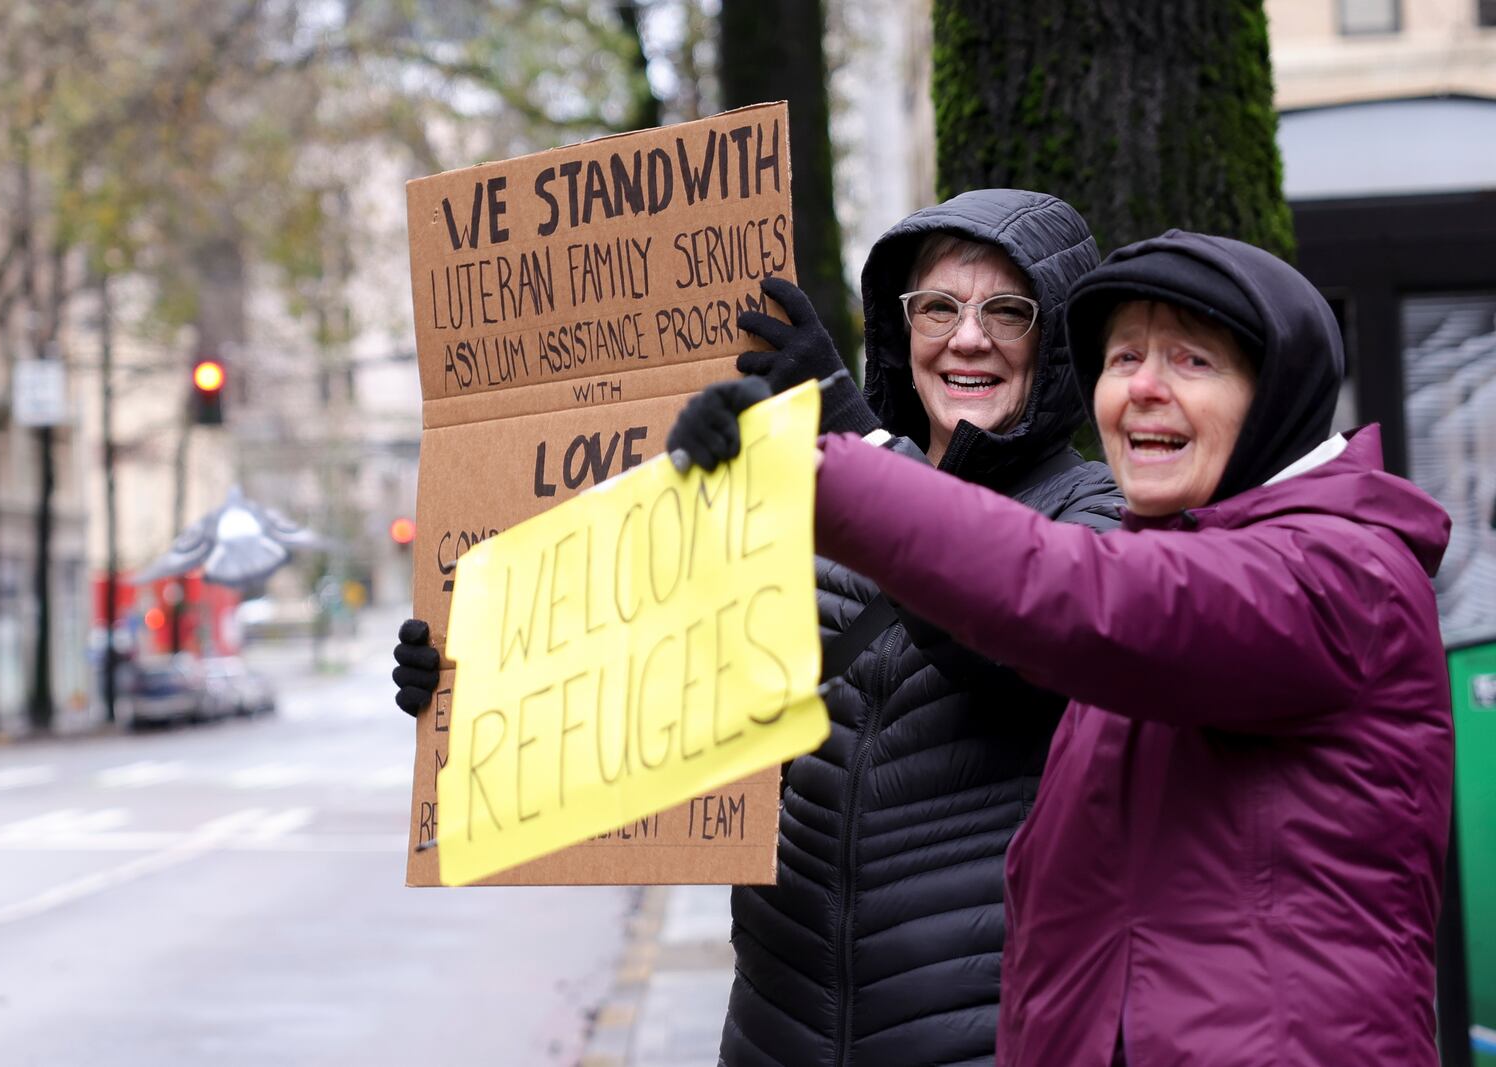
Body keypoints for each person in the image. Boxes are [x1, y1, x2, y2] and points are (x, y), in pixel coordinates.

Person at [678, 229, 1451, 1065]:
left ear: (1276, 393)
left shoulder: (1340, 570)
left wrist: (825, 471)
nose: (1145, 389)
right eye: (1123, 360)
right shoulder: (1174, 554)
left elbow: (1072, 593)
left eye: (1192, 361)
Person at [396, 189, 1124, 1066]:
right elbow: (654, 709)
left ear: (1053, 347)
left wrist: (855, 443)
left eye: (1007, 311)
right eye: (938, 307)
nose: (967, 338)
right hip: (778, 1035)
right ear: (902, 332)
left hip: (980, 1040)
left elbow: (1017, 646)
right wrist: (471, 684)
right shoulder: (807, 504)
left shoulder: (1102, 517)